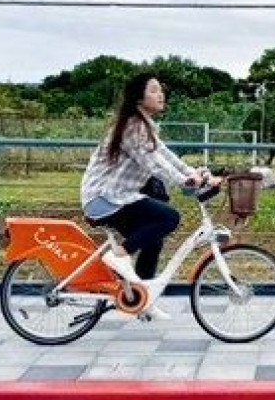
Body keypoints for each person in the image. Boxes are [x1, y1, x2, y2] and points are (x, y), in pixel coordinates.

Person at [81, 72, 217, 319]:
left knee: (153, 238)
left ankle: (142, 299)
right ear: (138, 97)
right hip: (104, 198)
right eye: (154, 90)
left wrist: (193, 172)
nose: (161, 94)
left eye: (160, 89)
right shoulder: (133, 127)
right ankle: (117, 256)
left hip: (118, 196)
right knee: (168, 218)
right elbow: (154, 164)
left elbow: (165, 155)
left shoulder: (145, 126)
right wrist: (186, 181)